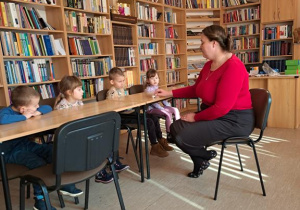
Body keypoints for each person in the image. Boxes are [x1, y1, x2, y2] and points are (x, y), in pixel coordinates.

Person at [155, 25, 255, 178]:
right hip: (215, 113)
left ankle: (203, 157)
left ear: (214, 43)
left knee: (182, 136)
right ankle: (201, 158)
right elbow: (196, 89)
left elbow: (222, 108)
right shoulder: (209, 65)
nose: (200, 46)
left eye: (202, 42)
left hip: (234, 120)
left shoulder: (234, 67)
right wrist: (169, 92)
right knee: (175, 128)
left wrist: (195, 117)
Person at [0, 86, 82, 210]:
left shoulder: (30, 108)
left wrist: (36, 112)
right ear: (22, 109)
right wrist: (25, 117)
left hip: (25, 144)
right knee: (38, 164)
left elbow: (47, 107)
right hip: (9, 151)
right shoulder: (6, 113)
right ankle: (40, 201)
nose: (37, 106)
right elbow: (2, 119)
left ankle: (63, 183)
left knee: (53, 152)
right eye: (35, 106)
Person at [107, 67, 173, 158]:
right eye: (120, 81)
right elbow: (113, 108)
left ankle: (160, 139)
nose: (122, 83)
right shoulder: (111, 93)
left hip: (129, 112)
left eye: (123, 81)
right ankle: (154, 146)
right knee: (149, 122)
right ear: (112, 82)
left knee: (153, 117)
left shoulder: (121, 90)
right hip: (121, 117)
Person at [144, 69, 180, 136]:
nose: (155, 80)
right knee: (167, 114)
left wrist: (168, 106)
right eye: (152, 78)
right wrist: (161, 108)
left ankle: (178, 128)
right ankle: (169, 133)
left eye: (156, 78)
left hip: (159, 107)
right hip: (151, 109)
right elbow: (153, 103)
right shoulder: (148, 90)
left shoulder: (157, 88)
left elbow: (162, 99)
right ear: (148, 80)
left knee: (175, 109)